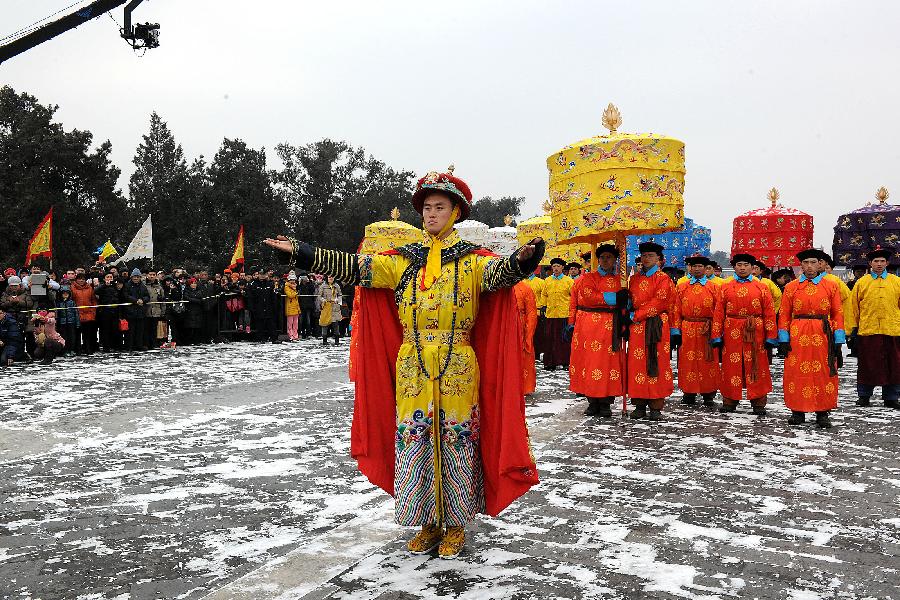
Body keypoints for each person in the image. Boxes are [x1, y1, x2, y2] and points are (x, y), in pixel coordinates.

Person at [263, 166, 541, 560]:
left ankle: (457, 522)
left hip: (457, 361)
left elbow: (501, 275)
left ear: (456, 212)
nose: (430, 215)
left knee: (456, 439)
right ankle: (428, 521)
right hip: (411, 361)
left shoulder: (475, 262)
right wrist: (304, 252)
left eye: (439, 207)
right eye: (426, 208)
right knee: (416, 438)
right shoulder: (402, 261)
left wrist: (523, 262)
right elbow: (355, 267)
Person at [778, 249, 846, 428]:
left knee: (823, 371)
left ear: (820, 264)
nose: (809, 266)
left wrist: (839, 341)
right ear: (801, 265)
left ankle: (822, 412)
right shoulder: (791, 287)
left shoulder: (830, 286)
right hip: (797, 333)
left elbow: (837, 313)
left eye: (813, 262)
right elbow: (784, 314)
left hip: (823, 334)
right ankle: (797, 411)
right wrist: (783, 339)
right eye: (806, 262)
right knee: (796, 371)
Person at [710, 254, 778, 416]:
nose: (742, 267)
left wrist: (771, 337)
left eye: (746, 265)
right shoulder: (725, 287)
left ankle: (758, 402)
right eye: (739, 264)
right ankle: (729, 400)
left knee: (756, 364)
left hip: (756, 330)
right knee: (730, 366)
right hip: (732, 329)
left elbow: (769, 313)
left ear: (752, 267)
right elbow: (719, 312)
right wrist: (716, 335)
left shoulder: (762, 287)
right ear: (734, 267)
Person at [566, 244, 627, 417]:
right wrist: (616, 297)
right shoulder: (588, 278)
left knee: (609, 363)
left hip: (611, 326)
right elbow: (589, 297)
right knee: (590, 362)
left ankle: (606, 402)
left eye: (609, 257)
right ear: (597, 260)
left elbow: (625, 305)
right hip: (589, 326)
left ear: (615, 260)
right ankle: (592, 401)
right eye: (602, 257)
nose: (605, 260)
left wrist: (624, 315)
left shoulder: (620, 280)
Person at [846, 246, 900, 409]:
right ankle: (864, 396)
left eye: (882, 261)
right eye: (876, 261)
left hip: (892, 330)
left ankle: (891, 397)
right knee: (867, 365)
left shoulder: (896, 282)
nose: (879, 264)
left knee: (894, 365)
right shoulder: (861, 283)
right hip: (867, 330)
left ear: (887, 263)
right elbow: (852, 308)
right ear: (870, 263)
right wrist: (851, 330)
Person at [626, 241, 675, 420]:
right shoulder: (634, 278)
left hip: (656, 324)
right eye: (644, 256)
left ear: (659, 259)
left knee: (656, 362)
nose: (647, 259)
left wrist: (635, 315)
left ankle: (655, 405)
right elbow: (631, 300)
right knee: (637, 363)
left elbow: (660, 302)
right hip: (637, 328)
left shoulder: (664, 279)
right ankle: (639, 404)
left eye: (651, 256)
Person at [671, 255, 721, 408]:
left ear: (706, 269)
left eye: (701, 266)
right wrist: (675, 332)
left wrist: (717, 332)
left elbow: (719, 311)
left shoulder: (714, 287)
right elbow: (676, 310)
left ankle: (708, 394)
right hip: (687, 327)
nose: (697, 269)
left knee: (708, 361)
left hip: (707, 328)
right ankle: (688, 392)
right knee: (688, 361)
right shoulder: (681, 286)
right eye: (694, 266)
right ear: (690, 269)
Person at [541, 258, 573, 371]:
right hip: (550, 314)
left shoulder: (569, 281)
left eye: (558, 266)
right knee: (550, 339)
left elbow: (573, 297)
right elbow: (544, 295)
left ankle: (565, 361)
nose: (556, 268)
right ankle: (550, 362)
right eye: (554, 266)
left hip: (564, 314)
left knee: (564, 339)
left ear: (562, 268)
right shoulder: (547, 281)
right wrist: (544, 305)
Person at [513, 280, 538, 395]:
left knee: (523, 355)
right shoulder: (500, 287)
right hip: (503, 325)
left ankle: (524, 387)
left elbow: (531, 312)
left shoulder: (525, 288)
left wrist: (529, 333)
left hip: (520, 326)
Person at [122, 268, 150, 351]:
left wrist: (143, 300)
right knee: (130, 331)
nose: (136, 278)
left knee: (140, 331)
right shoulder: (127, 285)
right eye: (134, 277)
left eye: (137, 277)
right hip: (130, 312)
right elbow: (126, 296)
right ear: (131, 277)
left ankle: (139, 345)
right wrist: (135, 301)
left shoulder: (143, 286)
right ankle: (129, 346)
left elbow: (147, 296)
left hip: (140, 312)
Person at [70, 272, 98, 354]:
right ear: (76, 280)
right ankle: (78, 350)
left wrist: (93, 312)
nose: (81, 280)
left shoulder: (90, 288)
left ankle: (88, 349)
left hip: (89, 314)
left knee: (88, 334)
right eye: (79, 279)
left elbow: (94, 301)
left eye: (83, 279)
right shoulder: (72, 288)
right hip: (77, 315)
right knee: (77, 334)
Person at [95, 273, 122, 352]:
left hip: (115, 311)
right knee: (105, 330)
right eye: (107, 277)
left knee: (115, 330)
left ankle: (114, 346)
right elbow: (96, 291)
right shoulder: (102, 286)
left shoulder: (115, 286)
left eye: (111, 277)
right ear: (104, 279)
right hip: (105, 312)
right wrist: (104, 285)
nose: (109, 278)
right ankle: (106, 347)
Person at [524, 268, 546, 361]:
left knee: (537, 334)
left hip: (537, 311)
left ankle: (537, 353)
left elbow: (544, 296)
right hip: (524, 313)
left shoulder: (541, 282)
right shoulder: (521, 281)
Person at [317, 275, 343, 345]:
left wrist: (338, 300)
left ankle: (337, 341)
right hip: (326, 307)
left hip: (335, 307)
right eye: (329, 277)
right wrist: (323, 300)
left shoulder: (337, 285)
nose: (331, 278)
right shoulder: (323, 286)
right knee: (324, 324)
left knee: (336, 324)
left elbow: (340, 294)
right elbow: (319, 296)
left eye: (332, 277)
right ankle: (324, 340)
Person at [145, 271, 167, 348]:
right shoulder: (144, 286)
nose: (152, 276)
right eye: (150, 274)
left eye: (153, 275)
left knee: (154, 329)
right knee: (146, 329)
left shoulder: (159, 287)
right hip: (146, 311)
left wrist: (163, 311)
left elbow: (163, 300)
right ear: (147, 275)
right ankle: (147, 344)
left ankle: (154, 344)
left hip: (156, 310)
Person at [55, 285, 80, 355]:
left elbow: (76, 313)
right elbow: (57, 314)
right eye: (64, 293)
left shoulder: (72, 302)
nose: (65, 295)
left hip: (71, 322)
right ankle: (65, 350)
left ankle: (71, 349)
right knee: (64, 337)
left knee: (72, 337)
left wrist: (77, 323)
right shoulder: (59, 303)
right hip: (62, 323)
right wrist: (57, 323)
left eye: (67, 293)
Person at [297, 271, 317, 339]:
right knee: (301, 320)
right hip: (301, 305)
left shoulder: (309, 284)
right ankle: (300, 333)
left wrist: (309, 282)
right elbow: (297, 291)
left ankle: (308, 333)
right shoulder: (299, 285)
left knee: (308, 320)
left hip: (308, 305)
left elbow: (312, 290)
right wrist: (299, 283)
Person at [284, 271, 301, 341]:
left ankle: (295, 335)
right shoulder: (286, 287)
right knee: (290, 323)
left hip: (296, 307)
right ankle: (290, 335)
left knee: (295, 324)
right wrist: (295, 292)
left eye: (294, 280)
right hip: (290, 307)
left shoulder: (295, 287)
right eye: (291, 280)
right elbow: (290, 295)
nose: (293, 281)